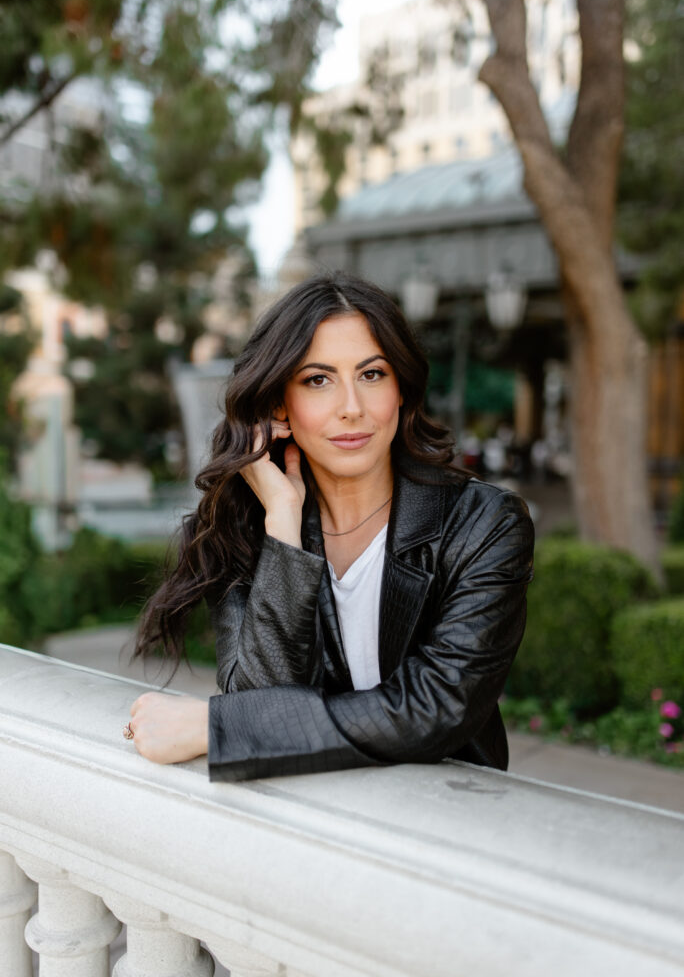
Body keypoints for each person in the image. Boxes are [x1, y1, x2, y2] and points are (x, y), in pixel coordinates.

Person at [127, 273, 535, 780]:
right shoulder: (246, 532)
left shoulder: (483, 525)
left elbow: (437, 709)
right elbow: (257, 700)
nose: (352, 408)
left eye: (372, 375)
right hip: (309, 826)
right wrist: (282, 526)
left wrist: (215, 727)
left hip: (446, 824)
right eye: (318, 380)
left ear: (401, 389)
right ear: (280, 404)